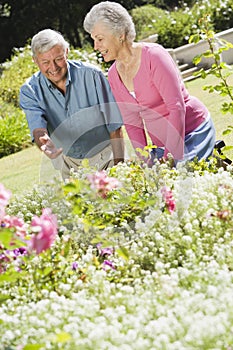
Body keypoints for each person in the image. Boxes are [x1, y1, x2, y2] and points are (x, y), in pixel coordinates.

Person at [83, 2, 216, 165]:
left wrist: (170, 157)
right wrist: (147, 161)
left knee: (184, 179)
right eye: (94, 40)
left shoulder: (154, 56)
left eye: (100, 39)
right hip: (162, 145)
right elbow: (132, 124)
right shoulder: (113, 75)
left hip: (193, 132)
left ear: (120, 34)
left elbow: (176, 107)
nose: (96, 46)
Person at [20, 29, 124, 180]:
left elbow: (114, 126)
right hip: (69, 163)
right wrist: (44, 142)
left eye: (58, 59)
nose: (53, 68)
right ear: (35, 60)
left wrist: (119, 168)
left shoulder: (92, 76)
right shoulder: (30, 90)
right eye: (45, 62)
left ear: (67, 52)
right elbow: (37, 128)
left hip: (106, 156)